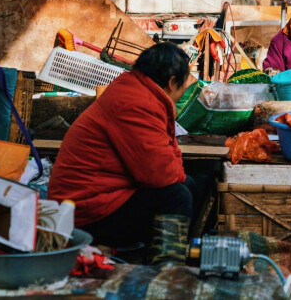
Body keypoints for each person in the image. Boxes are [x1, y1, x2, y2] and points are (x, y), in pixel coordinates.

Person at [48, 43, 195, 253]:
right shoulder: (138, 104)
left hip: (93, 201)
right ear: (172, 83)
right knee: (177, 197)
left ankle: (151, 256)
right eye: (184, 86)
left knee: (186, 185)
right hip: (84, 213)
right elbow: (161, 175)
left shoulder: (134, 90)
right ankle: (164, 268)